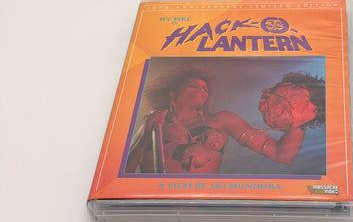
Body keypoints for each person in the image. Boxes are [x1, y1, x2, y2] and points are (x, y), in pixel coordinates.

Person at [125, 66, 325, 174]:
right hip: (159, 202)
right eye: (194, 86)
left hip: (202, 202)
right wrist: (147, 136)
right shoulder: (151, 125)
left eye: (205, 88)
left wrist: (299, 119)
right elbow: (126, 171)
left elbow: (281, 155)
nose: (202, 91)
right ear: (173, 94)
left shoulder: (222, 120)